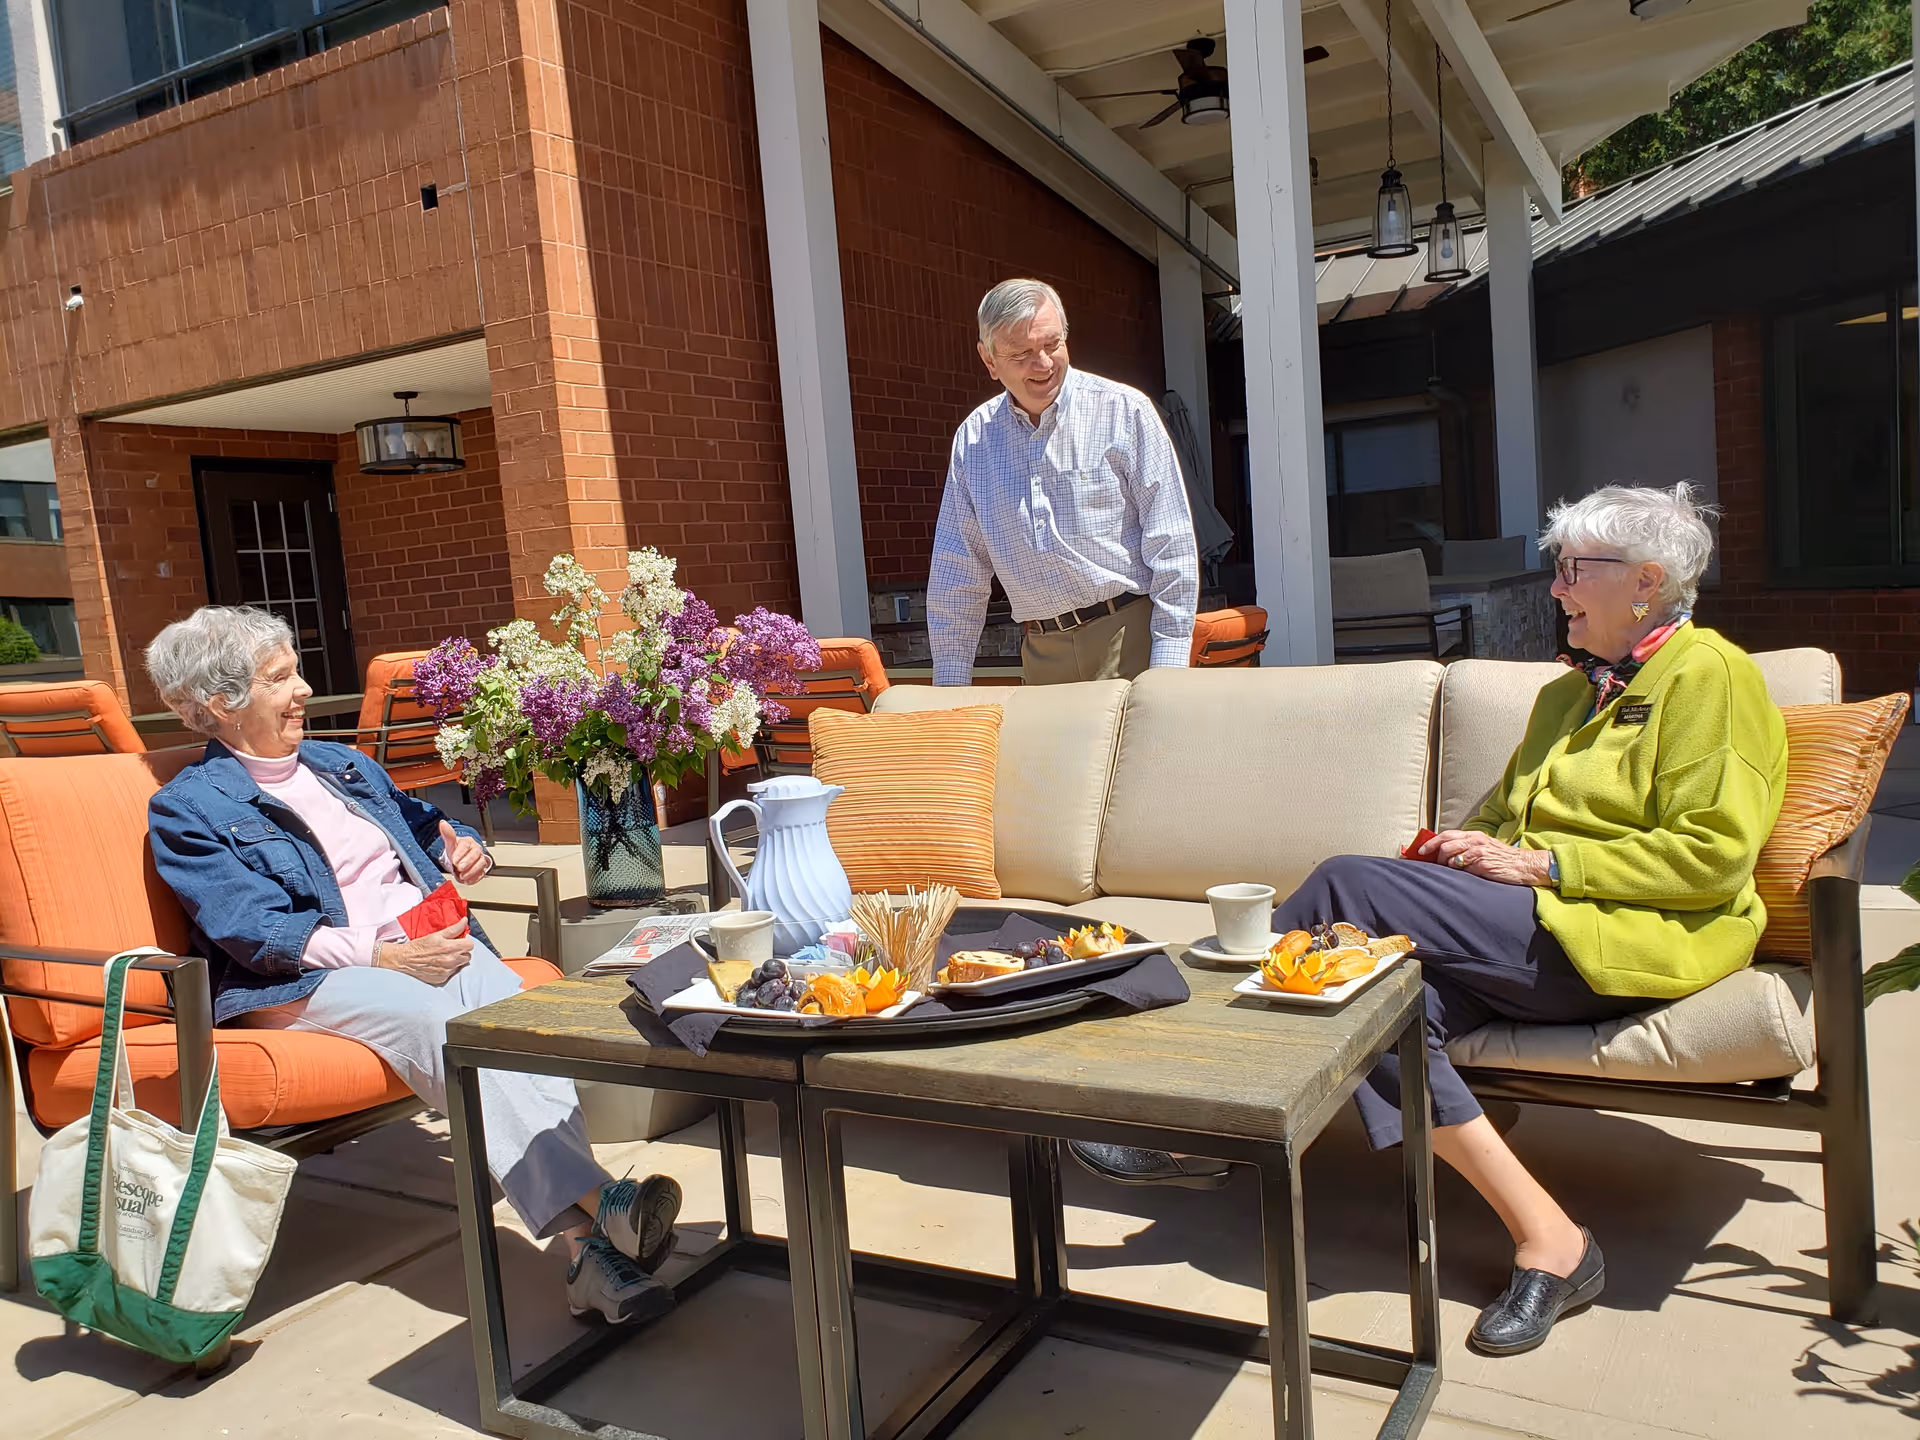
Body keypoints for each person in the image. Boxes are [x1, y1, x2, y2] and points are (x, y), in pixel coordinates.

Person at [1071, 482, 1787, 1357]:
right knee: (1381, 1007)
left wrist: (1547, 863)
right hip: (1530, 928)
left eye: (1574, 571)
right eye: (1557, 570)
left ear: (1646, 581)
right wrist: (1465, 847)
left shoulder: (1713, 675)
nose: (1556, 588)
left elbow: (1714, 855)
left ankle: (1182, 1109)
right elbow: (1499, 820)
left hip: (1622, 938)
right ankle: (1556, 1242)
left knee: (1345, 884)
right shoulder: (1568, 697)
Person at [144, 606, 685, 1327]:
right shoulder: (188, 809)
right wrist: (384, 954)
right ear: (220, 704)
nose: (304, 688)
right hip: (306, 979)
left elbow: (425, 824)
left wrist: (461, 845)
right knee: (446, 1024)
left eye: (295, 669)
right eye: (281, 679)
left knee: (510, 1019)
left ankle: (593, 1253)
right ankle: (606, 1203)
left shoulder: (343, 766)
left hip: (427, 945)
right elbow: (255, 933)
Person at [927, 278, 1199, 686]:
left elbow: (1172, 545)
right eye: (1021, 354)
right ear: (989, 360)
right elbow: (957, 571)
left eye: (1052, 345)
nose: (1044, 364)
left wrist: (1169, 667)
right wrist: (949, 683)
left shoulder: (1124, 411)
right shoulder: (974, 440)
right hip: (1041, 653)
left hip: (1128, 640)